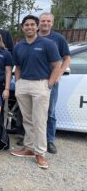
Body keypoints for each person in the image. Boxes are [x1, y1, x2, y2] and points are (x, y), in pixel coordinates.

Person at [10, 15, 61, 169]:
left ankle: (40, 153)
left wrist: (49, 84)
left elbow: (57, 65)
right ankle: (29, 148)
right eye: (26, 25)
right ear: (22, 27)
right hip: (23, 84)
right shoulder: (19, 46)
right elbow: (17, 67)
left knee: (39, 120)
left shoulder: (47, 44)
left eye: (32, 24)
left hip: (41, 84)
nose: (29, 27)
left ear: (37, 27)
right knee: (27, 119)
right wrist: (18, 84)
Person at [38, 12, 71, 154]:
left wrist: (59, 74)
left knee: (50, 112)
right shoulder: (33, 36)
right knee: (34, 112)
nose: (45, 23)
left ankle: (50, 140)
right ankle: (33, 138)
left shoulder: (58, 39)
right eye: (43, 21)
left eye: (48, 21)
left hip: (50, 81)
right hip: (34, 80)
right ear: (39, 22)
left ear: (52, 22)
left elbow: (67, 58)